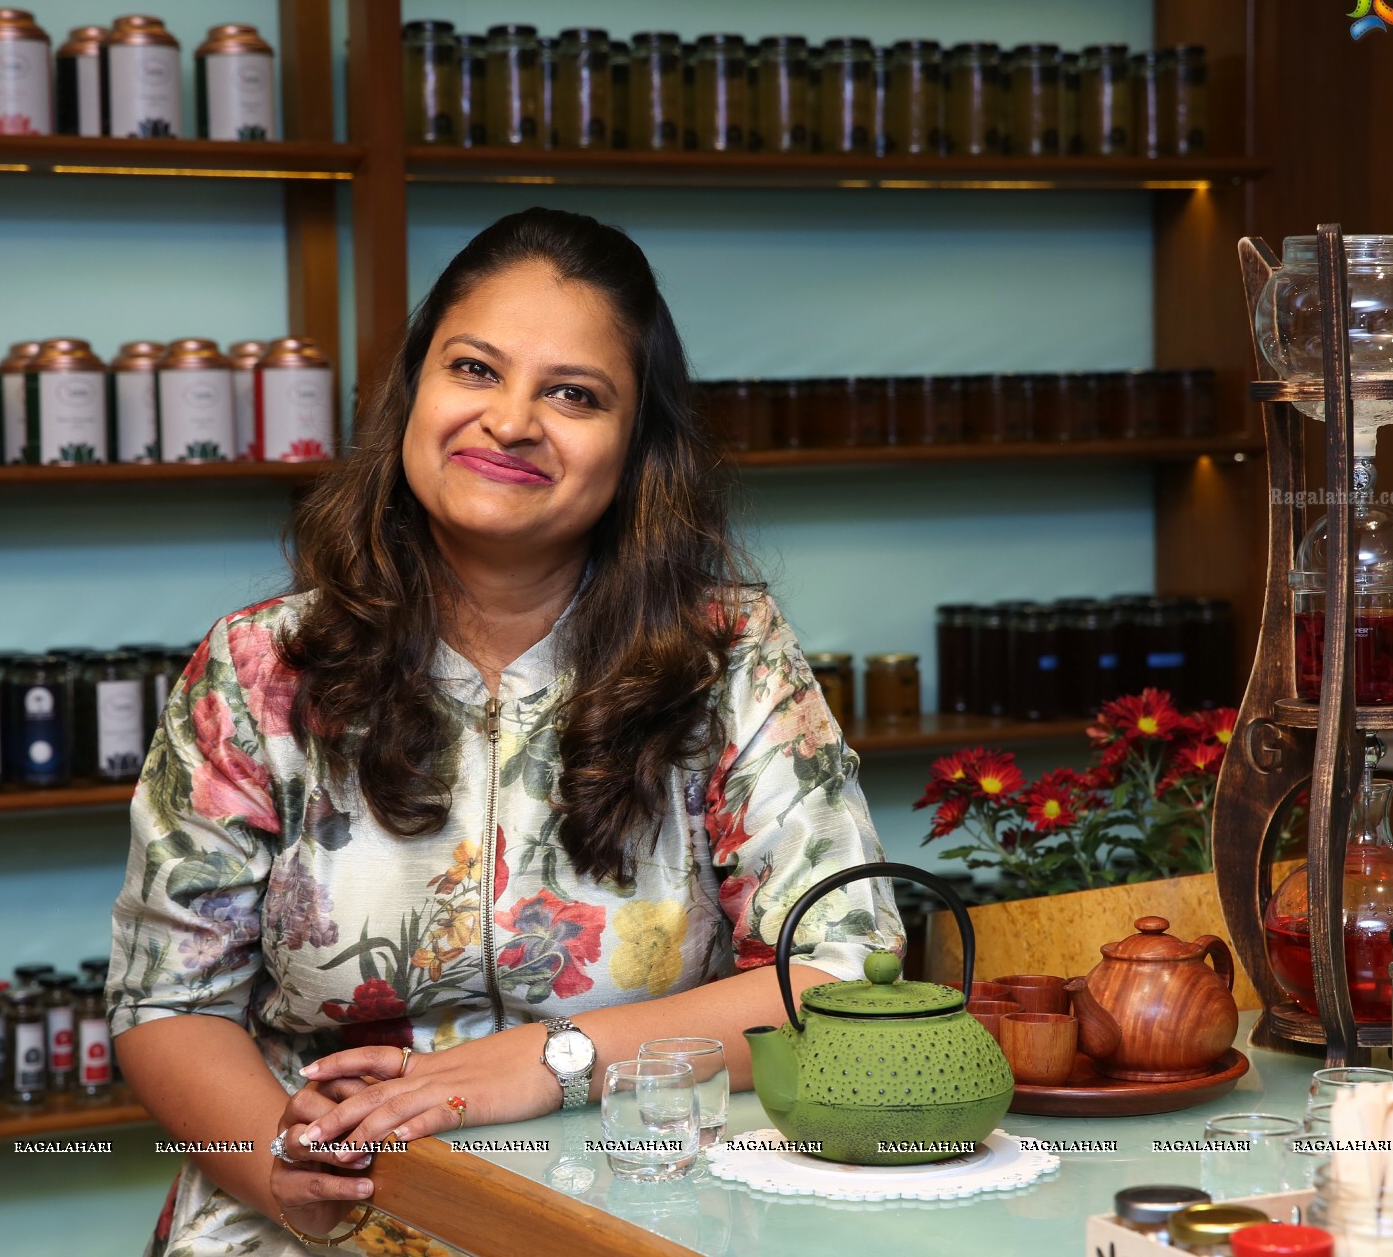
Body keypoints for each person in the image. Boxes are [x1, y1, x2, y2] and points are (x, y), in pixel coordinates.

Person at [109, 207, 904, 1254]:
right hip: (321, 1210)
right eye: (475, 369)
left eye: (574, 394)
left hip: (634, 1208)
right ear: (414, 394)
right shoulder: (264, 667)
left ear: (635, 446)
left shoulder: (727, 654)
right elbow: (169, 1003)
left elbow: (840, 975)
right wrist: (285, 1172)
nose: (512, 420)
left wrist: (550, 1058)